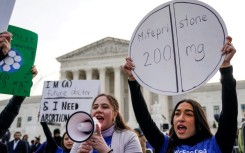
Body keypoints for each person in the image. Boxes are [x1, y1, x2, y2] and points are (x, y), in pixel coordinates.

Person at [122, 36, 237, 153]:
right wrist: (132, 79)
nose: (180, 118)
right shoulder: (165, 145)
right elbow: (143, 119)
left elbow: (230, 112)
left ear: (199, 121)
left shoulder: (215, 145)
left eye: (188, 114)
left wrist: (225, 67)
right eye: (177, 114)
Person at [70, 94, 142, 153]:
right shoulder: (80, 140)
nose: (98, 110)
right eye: (95, 107)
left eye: (105, 107)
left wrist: (106, 151)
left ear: (115, 114)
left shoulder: (129, 137)